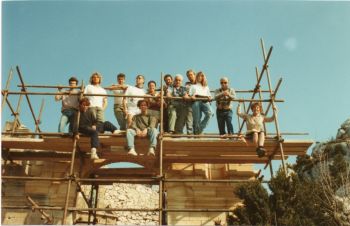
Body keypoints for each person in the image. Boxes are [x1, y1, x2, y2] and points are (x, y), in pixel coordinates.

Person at [183, 69, 196, 134]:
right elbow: (185, 94)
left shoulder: (199, 83)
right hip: (189, 104)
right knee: (189, 121)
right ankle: (190, 135)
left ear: (194, 75)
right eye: (188, 76)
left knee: (196, 121)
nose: (190, 76)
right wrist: (190, 97)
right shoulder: (187, 84)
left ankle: (197, 136)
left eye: (191, 75)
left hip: (197, 104)